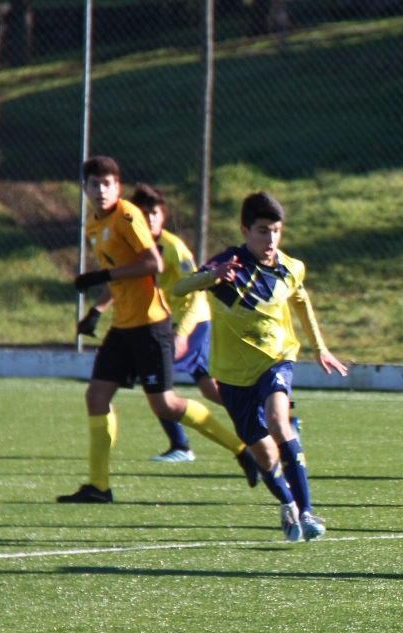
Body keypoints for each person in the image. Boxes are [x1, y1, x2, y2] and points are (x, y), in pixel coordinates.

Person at [60, 157, 259, 503]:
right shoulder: (93, 223)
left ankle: (242, 449)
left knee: (165, 405)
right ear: (85, 188)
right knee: (96, 396)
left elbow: (153, 263)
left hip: (151, 326)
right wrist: (96, 310)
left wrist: (100, 277)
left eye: (108, 184)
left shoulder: (127, 216)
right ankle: (98, 485)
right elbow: (122, 269)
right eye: (95, 184)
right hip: (123, 325)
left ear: (118, 187)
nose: (101, 190)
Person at [174, 191, 348, 542]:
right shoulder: (227, 264)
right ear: (245, 230)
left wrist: (320, 347)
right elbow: (180, 288)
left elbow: (300, 299)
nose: (270, 239)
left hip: (277, 358)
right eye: (263, 231)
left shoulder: (290, 267)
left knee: (280, 423)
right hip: (233, 373)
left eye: (276, 231)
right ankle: (288, 505)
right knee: (264, 454)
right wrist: (212, 276)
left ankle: (308, 510)